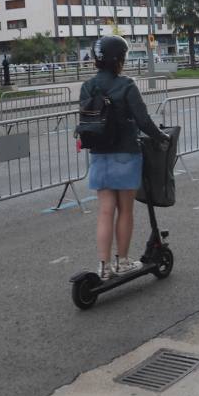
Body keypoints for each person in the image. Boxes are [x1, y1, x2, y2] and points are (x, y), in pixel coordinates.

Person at [79, 37, 169, 278]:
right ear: (119, 59)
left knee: (105, 211)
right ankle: (123, 261)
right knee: (125, 210)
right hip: (126, 154)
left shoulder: (87, 87)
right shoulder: (126, 85)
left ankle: (103, 266)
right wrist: (161, 136)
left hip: (99, 155)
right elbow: (143, 121)